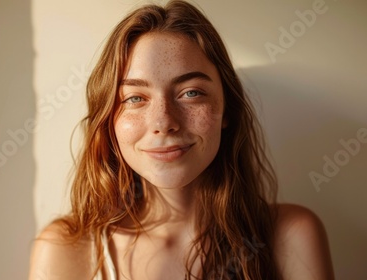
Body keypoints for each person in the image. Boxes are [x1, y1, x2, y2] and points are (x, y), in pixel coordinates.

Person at [29, 1, 334, 279]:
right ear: (110, 121)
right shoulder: (65, 250)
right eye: (135, 98)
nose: (164, 122)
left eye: (191, 93)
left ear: (226, 110)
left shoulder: (290, 236)